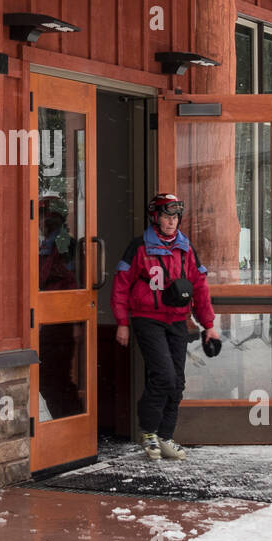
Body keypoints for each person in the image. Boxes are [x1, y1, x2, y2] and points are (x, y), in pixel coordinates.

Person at [111, 193, 221, 462]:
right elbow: (121, 286)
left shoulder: (186, 248)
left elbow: (200, 287)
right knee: (163, 376)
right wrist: (122, 323)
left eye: (174, 217)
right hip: (147, 319)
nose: (171, 222)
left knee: (177, 382)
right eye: (165, 216)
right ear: (155, 218)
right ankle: (148, 431)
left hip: (178, 321)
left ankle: (165, 436)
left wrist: (209, 325)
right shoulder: (139, 247)